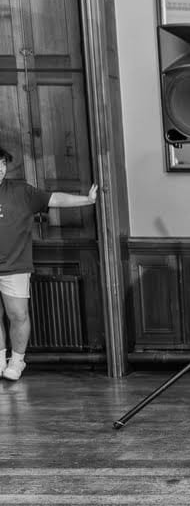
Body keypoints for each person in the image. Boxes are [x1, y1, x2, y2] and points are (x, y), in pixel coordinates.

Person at [0, 146, 98, 381]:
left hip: (14, 266)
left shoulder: (22, 192)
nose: (0, 169)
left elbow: (54, 199)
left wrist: (87, 199)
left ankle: (17, 361)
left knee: (18, 315)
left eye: (2, 164)